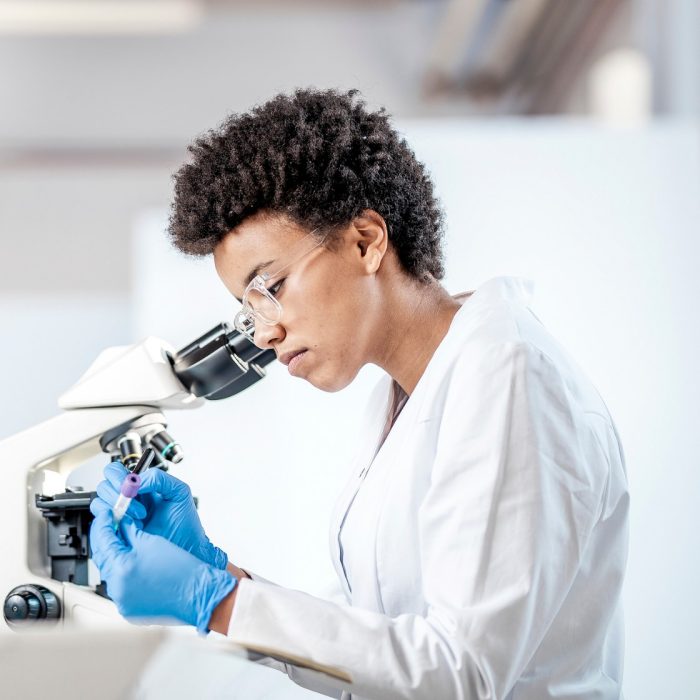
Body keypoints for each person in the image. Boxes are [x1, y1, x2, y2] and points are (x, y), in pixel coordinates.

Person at [89, 88, 629, 700]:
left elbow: (461, 671)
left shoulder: (508, 375)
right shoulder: (406, 395)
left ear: (367, 239)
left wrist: (223, 605)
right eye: (246, 309)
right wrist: (223, 577)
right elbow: (379, 636)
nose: (264, 332)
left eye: (269, 287)